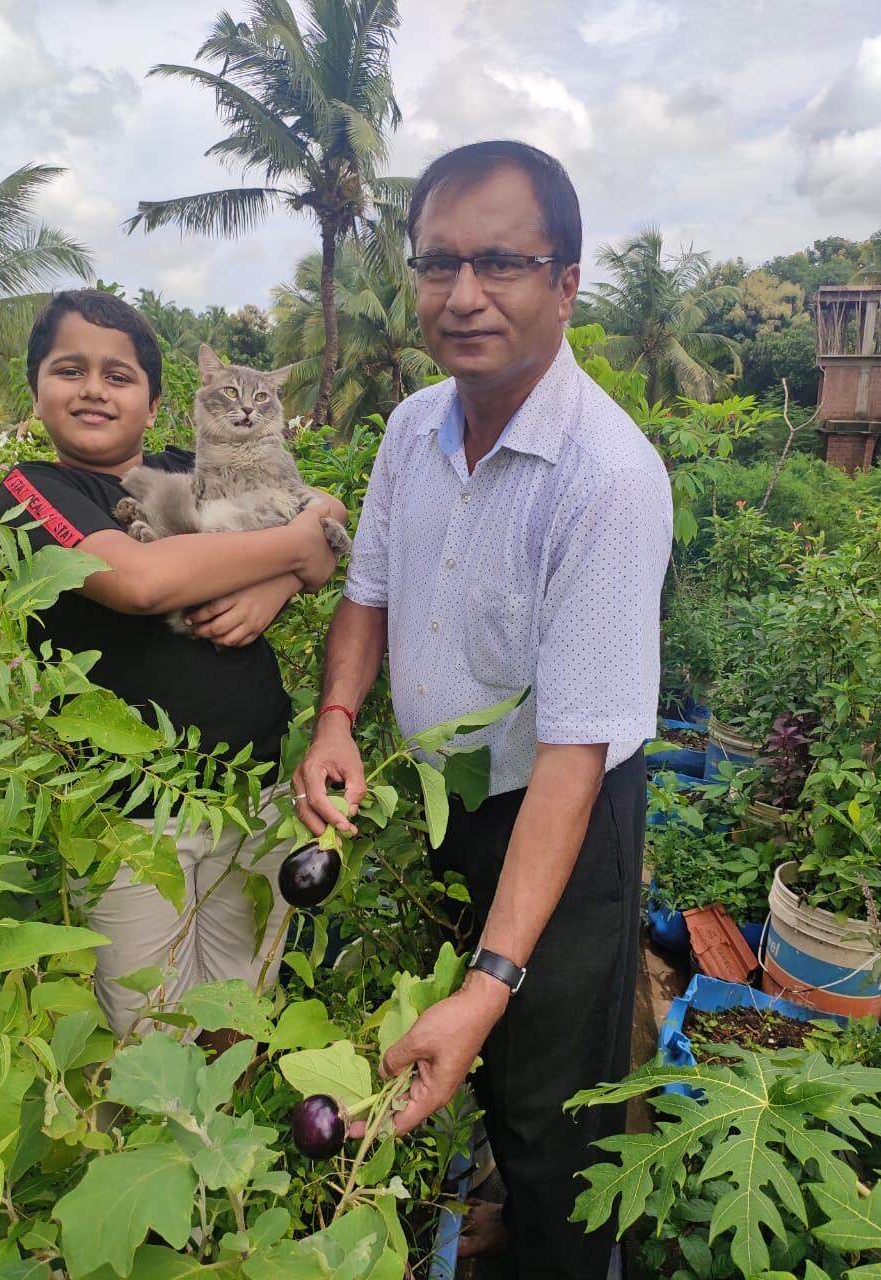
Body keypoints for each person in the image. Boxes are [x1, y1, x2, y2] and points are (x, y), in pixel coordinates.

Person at [293, 142, 673, 1279]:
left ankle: (562, 1256)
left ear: (566, 281)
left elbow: (572, 754)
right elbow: (366, 592)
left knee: (552, 1106)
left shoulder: (605, 476)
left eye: (501, 262)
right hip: (448, 797)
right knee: (469, 1046)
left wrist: (491, 980)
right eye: (439, 263)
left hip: (564, 807)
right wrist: (337, 719)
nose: (463, 296)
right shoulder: (413, 426)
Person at [0, 289, 346, 1041]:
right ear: (37, 391)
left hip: (253, 792)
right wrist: (293, 555)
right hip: (130, 821)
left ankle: (227, 1133)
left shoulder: (197, 467)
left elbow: (329, 507)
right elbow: (140, 583)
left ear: (156, 406)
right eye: (70, 369)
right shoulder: (35, 489)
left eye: (119, 376)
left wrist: (275, 589)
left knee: (238, 1011)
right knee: (146, 1037)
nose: (93, 388)